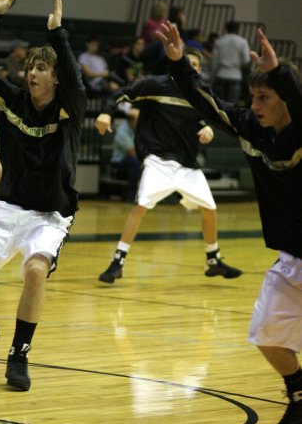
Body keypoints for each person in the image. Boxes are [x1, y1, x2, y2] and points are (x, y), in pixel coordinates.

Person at [157, 21, 302, 424]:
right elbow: (207, 102)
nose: (255, 105)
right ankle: (298, 393)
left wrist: (280, 73)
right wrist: (179, 63)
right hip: (292, 257)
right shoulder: (250, 128)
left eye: (265, 97)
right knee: (266, 333)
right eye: (253, 96)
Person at [0, 0, 86, 391]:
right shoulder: (10, 100)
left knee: (35, 270)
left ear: (55, 77)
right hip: (9, 205)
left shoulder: (70, 108)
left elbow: (78, 82)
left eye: (42, 67)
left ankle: (18, 355)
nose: (32, 72)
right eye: (30, 66)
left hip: (50, 213)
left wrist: (57, 34)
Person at [96, 47, 242, 284]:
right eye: (189, 63)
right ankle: (117, 262)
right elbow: (121, 94)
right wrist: (105, 113)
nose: (193, 68)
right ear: (178, 62)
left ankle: (213, 260)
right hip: (158, 160)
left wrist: (207, 129)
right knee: (140, 207)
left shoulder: (198, 92)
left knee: (210, 209)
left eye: (197, 66)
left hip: (187, 164)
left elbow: (207, 119)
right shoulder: (155, 85)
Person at [212, 20, 250, 103]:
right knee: (232, 105)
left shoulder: (219, 41)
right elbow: (246, 60)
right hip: (235, 74)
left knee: (219, 104)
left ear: (226, 29)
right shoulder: (242, 42)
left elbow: (215, 61)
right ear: (237, 29)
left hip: (221, 73)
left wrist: (213, 75)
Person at [109, 108, 142, 201]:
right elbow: (132, 152)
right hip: (119, 166)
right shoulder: (122, 131)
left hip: (134, 160)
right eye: (138, 120)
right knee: (135, 161)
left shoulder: (137, 129)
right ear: (131, 121)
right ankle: (131, 195)